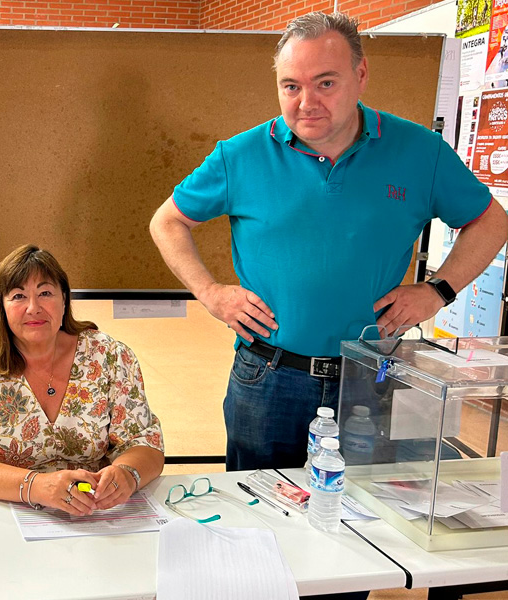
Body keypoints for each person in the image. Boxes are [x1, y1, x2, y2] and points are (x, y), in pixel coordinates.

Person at [149, 12, 508, 473]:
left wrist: (438, 290)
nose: (306, 103)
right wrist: (211, 292)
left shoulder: (420, 152)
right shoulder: (240, 156)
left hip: (371, 378)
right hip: (268, 378)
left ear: (361, 75)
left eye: (325, 83)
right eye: (291, 86)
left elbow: (491, 221)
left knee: (366, 507)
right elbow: (168, 222)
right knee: (259, 507)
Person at [0, 245, 164, 515]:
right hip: (4, 511)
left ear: (64, 300)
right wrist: (35, 486)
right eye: (19, 296)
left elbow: (145, 442)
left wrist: (127, 474)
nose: (33, 308)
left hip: (94, 513)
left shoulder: (108, 356)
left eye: (45, 293)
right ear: (1, 307)